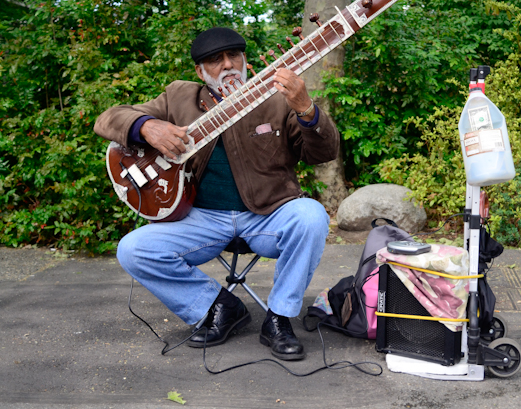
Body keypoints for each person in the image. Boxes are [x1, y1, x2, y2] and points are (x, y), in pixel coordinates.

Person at [94, 27, 339, 361]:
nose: (228, 65)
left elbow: (323, 152)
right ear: (199, 71)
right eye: (215, 60)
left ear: (245, 60)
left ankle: (279, 317)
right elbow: (109, 119)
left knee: (311, 216)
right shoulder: (179, 97)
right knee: (133, 249)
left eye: (234, 56)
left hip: (266, 216)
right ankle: (219, 306)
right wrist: (147, 127)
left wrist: (307, 110)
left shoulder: (276, 98)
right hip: (201, 220)